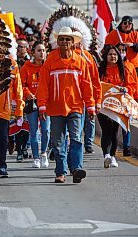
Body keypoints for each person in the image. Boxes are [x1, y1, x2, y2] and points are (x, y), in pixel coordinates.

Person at [37, 27, 95, 184]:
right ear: (57, 42)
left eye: (67, 39)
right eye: (61, 39)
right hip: (55, 109)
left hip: (76, 107)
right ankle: (60, 172)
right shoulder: (50, 61)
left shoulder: (81, 62)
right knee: (58, 142)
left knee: (76, 138)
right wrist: (41, 106)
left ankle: (76, 169)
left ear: (73, 42)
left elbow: (87, 85)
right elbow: (43, 85)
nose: (64, 42)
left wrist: (90, 106)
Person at [97, 46, 136, 168]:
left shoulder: (124, 70)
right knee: (106, 130)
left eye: (115, 54)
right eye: (110, 54)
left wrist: (127, 89)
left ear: (118, 56)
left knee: (115, 132)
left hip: (118, 107)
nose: (112, 56)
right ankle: (106, 155)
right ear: (106, 56)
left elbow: (133, 86)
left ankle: (112, 156)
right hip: (103, 106)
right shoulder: (100, 70)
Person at [20, 41, 50, 168]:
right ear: (33, 52)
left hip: (46, 103)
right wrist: (27, 93)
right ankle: (36, 158)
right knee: (33, 131)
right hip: (32, 103)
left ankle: (43, 153)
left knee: (46, 130)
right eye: (39, 50)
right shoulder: (26, 67)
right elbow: (21, 84)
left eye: (43, 50)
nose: (42, 53)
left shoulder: (49, 66)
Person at [116, 42, 138, 156]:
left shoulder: (130, 66)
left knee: (126, 125)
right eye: (119, 50)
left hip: (127, 99)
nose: (121, 53)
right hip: (114, 100)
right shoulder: (112, 66)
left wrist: (132, 94)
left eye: (123, 50)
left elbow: (134, 83)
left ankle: (126, 147)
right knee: (113, 127)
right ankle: (110, 150)